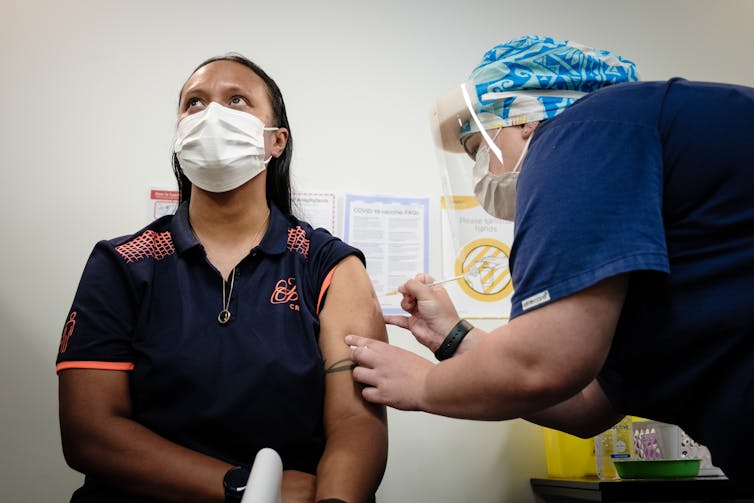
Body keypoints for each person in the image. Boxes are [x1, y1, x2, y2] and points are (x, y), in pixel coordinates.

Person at [346, 35, 754, 482]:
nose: (480, 167)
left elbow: (545, 365)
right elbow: (589, 405)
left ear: (523, 122)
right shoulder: (626, 167)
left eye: (476, 147)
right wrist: (454, 338)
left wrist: (422, 385)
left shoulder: (584, 127)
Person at [56, 53, 388, 503]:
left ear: (277, 141)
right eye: (194, 103)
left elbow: (356, 422)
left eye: (237, 100)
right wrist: (246, 487)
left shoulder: (329, 266)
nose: (211, 115)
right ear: (179, 136)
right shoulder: (121, 264)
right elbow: (89, 432)